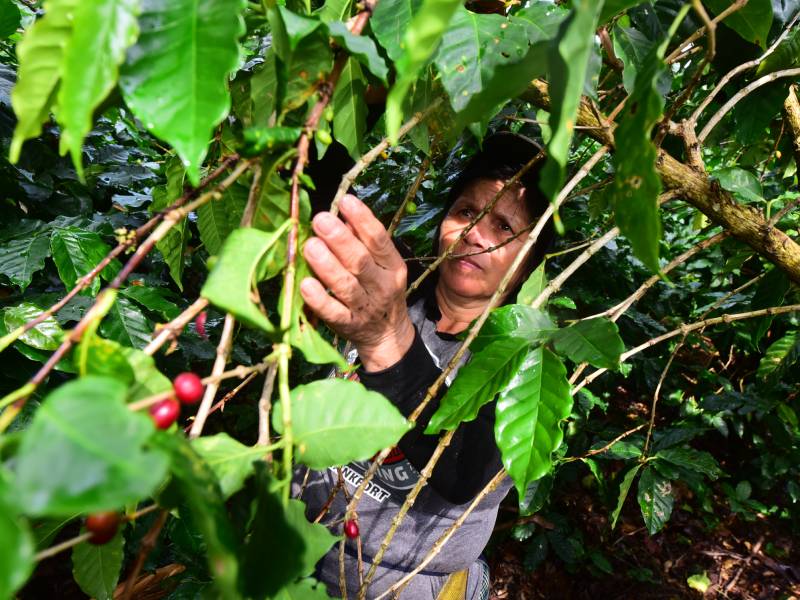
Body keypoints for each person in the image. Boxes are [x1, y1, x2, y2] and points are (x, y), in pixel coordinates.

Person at [295, 133, 553, 599]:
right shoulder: (396, 290)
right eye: (466, 212)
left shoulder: (521, 358)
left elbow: (462, 472)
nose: (474, 234)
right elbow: (319, 192)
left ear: (530, 259)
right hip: (300, 550)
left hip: (395, 583)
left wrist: (387, 342)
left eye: (503, 227)